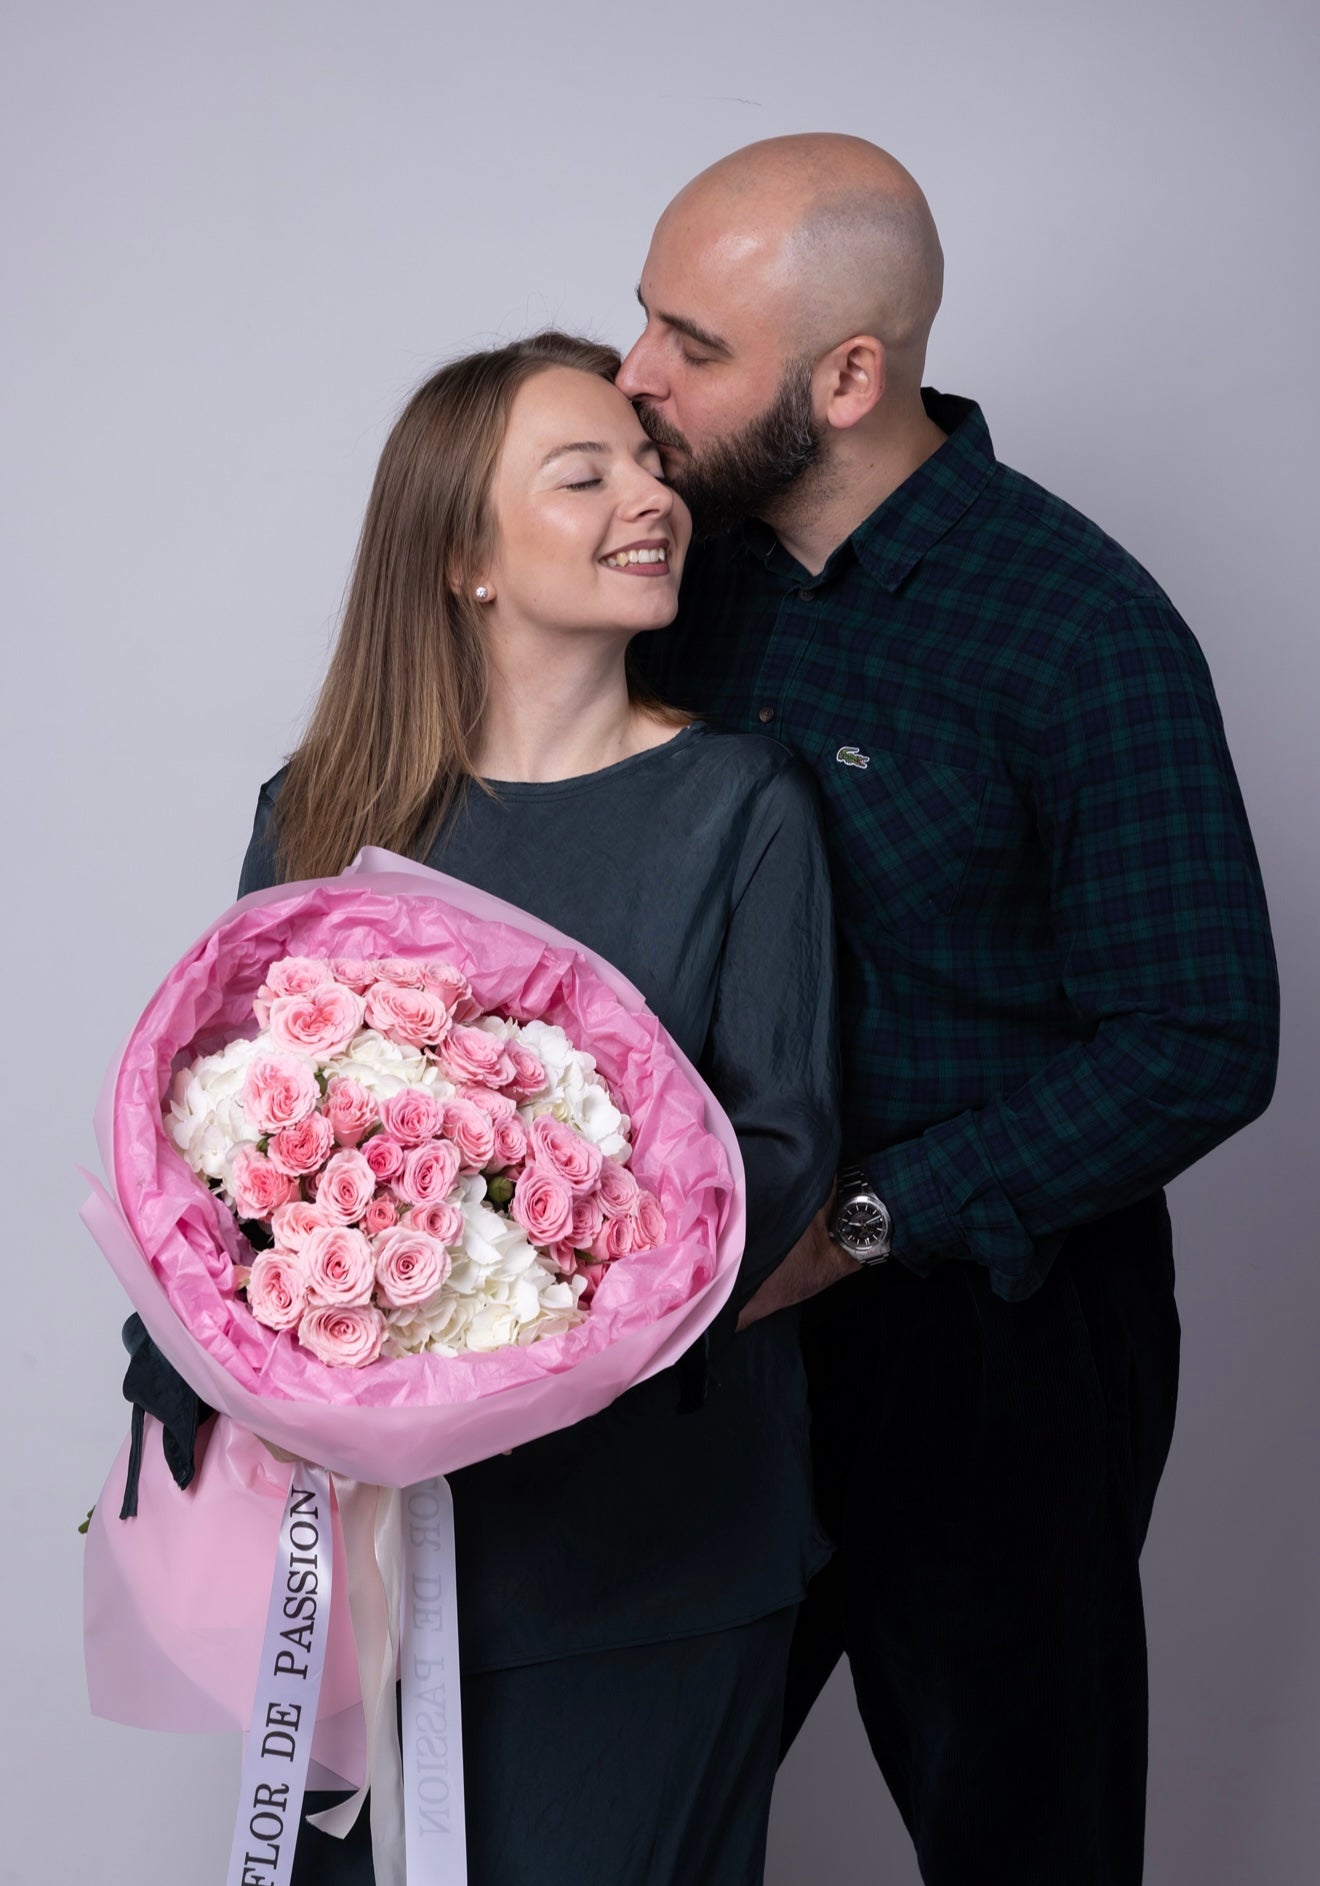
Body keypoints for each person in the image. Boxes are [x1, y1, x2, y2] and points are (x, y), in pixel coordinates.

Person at [620, 134, 1280, 1886]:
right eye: (644, 323)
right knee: (625, 1809)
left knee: (1023, 1838)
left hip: (991, 1339)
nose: (635, 378)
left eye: (691, 342)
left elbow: (1202, 1036)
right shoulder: (679, 585)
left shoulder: (1081, 628)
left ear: (849, 378)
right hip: (707, 1331)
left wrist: (860, 1225)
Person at [226, 331, 840, 1884]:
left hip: (649, 1553)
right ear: (462, 557)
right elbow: (219, 1141)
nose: (653, 497)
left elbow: (784, 1144)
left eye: (652, 464)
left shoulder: (741, 803)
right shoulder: (323, 807)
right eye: (588, 473)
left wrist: (532, 1305)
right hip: (366, 1561)